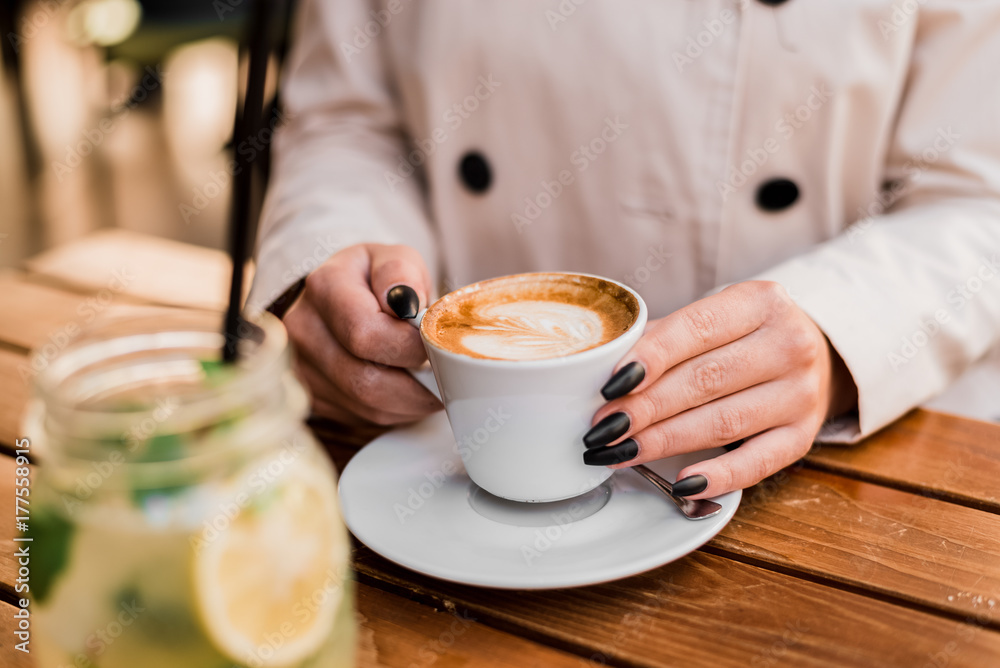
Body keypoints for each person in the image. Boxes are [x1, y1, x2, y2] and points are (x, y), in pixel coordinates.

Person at [247, 0, 1000, 501]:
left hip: (836, 472)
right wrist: (337, 262)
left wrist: (840, 330)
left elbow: (979, 197)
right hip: (443, 442)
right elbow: (348, 124)